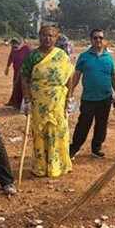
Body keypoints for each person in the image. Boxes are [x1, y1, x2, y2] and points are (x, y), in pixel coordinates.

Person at [20, 25, 74, 177]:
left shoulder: (62, 55)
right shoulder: (32, 56)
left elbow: (69, 76)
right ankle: (41, 166)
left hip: (58, 100)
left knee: (59, 131)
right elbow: (24, 78)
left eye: (51, 36)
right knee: (40, 132)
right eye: (44, 35)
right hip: (38, 101)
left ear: (56, 37)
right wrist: (26, 100)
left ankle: (59, 165)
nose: (47, 38)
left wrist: (69, 98)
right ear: (39, 37)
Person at [68, 29, 115, 159]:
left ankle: (96, 148)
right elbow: (76, 76)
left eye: (101, 38)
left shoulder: (109, 57)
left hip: (105, 98)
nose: (98, 40)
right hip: (88, 98)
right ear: (91, 40)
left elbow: (112, 77)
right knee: (83, 124)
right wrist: (70, 92)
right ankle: (74, 148)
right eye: (95, 38)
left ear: (104, 40)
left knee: (101, 125)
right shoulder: (84, 57)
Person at [4, 37, 33, 109]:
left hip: (25, 72)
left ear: (20, 44)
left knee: (22, 87)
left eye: (16, 45)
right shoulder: (13, 51)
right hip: (16, 71)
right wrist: (7, 67)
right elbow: (10, 58)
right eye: (13, 45)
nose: (14, 47)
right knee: (16, 86)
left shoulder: (27, 48)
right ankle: (14, 102)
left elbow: (33, 56)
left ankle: (20, 104)